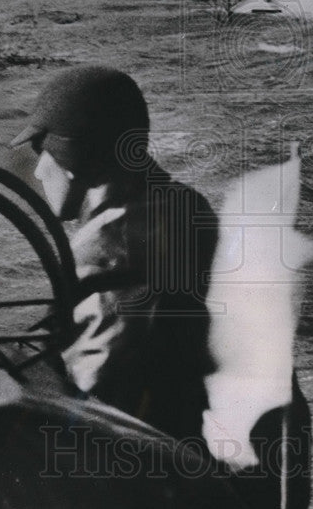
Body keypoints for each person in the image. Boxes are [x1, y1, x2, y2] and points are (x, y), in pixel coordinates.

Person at [11, 65, 217, 444]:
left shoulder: (110, 247)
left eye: (43, 150)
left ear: (72, 157)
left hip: (134, 464)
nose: (39, 171)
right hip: (182, 436)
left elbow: (100, 395)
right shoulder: (183, 204)